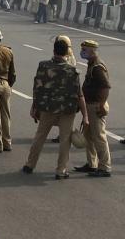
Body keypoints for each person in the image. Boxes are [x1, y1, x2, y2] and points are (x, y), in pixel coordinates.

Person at [22, 38, 88, 179]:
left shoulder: (43, 66)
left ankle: (30, 165)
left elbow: (37, 89)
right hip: (67, 111)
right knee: (65, 140)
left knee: (40, 137)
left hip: (47, 108)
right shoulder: (73, 71)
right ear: (67, 53)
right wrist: (85, 116)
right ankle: (61, 170)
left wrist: (35, 107)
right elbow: (79, 95)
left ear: (53, 51)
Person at [74, 40, 112, 177]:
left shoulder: (97, 67)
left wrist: (101, 104)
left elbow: (106, 87)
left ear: (92, 51)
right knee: (88, 136)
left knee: (99, 137)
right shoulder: (92, 64)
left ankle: (105, 167)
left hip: (96, 106)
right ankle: (92, 164)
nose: (82, 52)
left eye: (85, 50)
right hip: (90, 105)